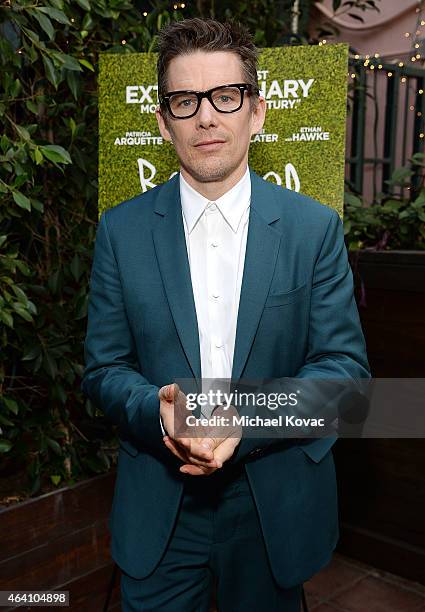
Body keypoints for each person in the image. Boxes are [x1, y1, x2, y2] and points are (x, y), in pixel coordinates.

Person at [82, 17, 370, 612]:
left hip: (275, 503)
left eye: (225, 96)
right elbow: (104, 368)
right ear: (163, 122)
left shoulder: (314, 229)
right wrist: (162, 414)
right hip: (161, 505)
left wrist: (242, 420)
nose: (207, 117)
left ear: (256, 111)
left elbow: (346, 378)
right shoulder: (121, 231)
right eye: (185, 101)